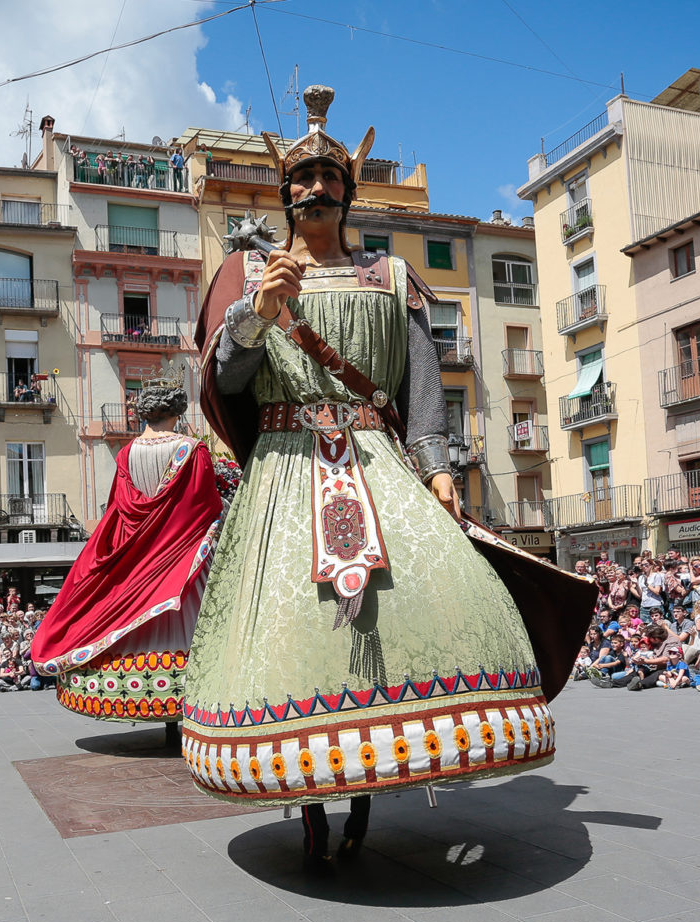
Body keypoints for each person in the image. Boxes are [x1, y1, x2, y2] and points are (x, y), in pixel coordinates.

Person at [188, 84, 592, 867]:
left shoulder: (392, 278)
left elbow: (421, 385)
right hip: (286, 470)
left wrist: (439, 470)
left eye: (327, 180)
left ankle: (366, 792)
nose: (313, 190)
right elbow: (228, 382)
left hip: (375, 460)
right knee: (296, 639)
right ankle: (307, 803)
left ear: (348, 192)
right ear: (284, 192)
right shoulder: (254, 279)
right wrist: (254, 316)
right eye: (300, 180)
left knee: (389, 624)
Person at [31, 379, 230, 752]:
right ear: (177, 409)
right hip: (184, 553)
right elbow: (202, 506)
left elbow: (123, 509)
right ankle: (194, 709)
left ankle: (153, 705)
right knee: (198, 627)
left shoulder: (126, 455)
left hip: (141, 554)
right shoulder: (192, 449)